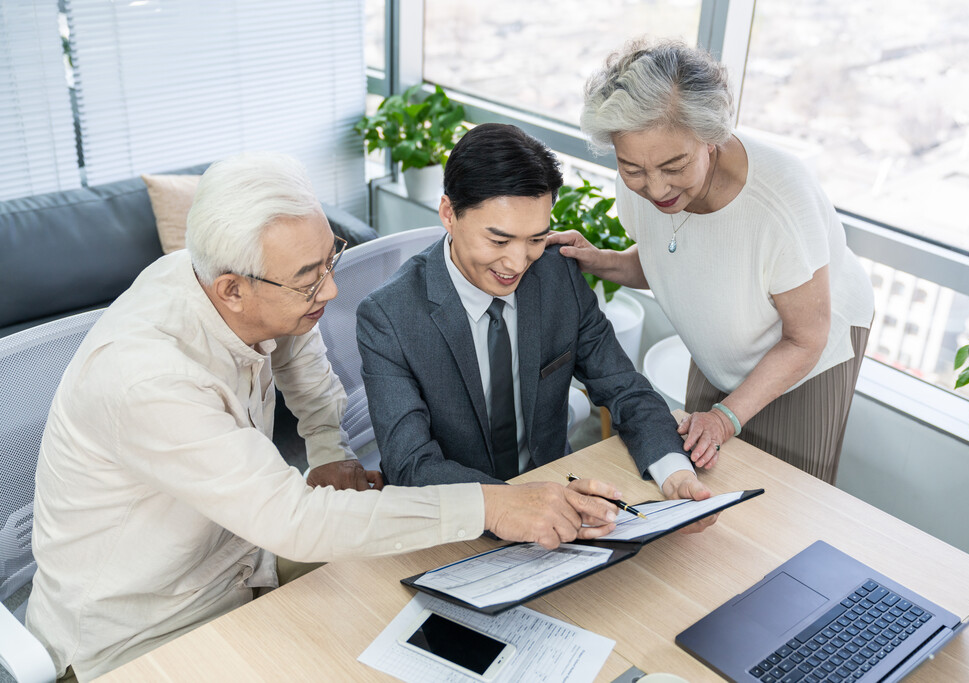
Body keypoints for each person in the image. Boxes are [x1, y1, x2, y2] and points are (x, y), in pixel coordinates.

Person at [25, 152, 621, 682]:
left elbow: (299, 356)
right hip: (142, 631)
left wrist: (329, 450)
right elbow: (292, 519)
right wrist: (493, 504)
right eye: (310, 281)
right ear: (232, 289)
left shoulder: (214, 276)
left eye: (328, 260)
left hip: (238, 564)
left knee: (421, 605)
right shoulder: (148, 380)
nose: (332, 292)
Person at [549, 39, 874, 484]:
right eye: (634, 169)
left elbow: (805, 338)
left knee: (782, 504)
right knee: (705, 478)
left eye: (674, 165)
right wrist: (597, 260)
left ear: (711, 137)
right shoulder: (644, 171)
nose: (656, 188)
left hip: (807, 357)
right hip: (720, 340)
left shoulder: (779, 204)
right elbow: (664, 261)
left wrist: (724, 417)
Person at [356, 123, 713, 504]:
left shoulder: (556, 276)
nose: (516, 263)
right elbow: (413, 466)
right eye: (499, 240)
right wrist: (521, 505)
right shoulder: (388, 317)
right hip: (455, 516)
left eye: (536, 239)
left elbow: (624, 386)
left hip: (554, 487)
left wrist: (675, 471)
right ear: (448, 214)